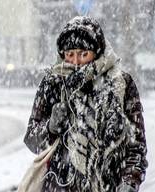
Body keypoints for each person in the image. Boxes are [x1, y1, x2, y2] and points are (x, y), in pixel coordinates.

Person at [24, 16, 148, 192]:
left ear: (97, 52)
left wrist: (129, 182)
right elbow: (32, 140)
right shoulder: (53, 83)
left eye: (83, 54)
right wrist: (50, 128)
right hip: (59, 187)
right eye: (69, 54)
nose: (75, 62)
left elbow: (136, 146)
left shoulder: (120, 84)